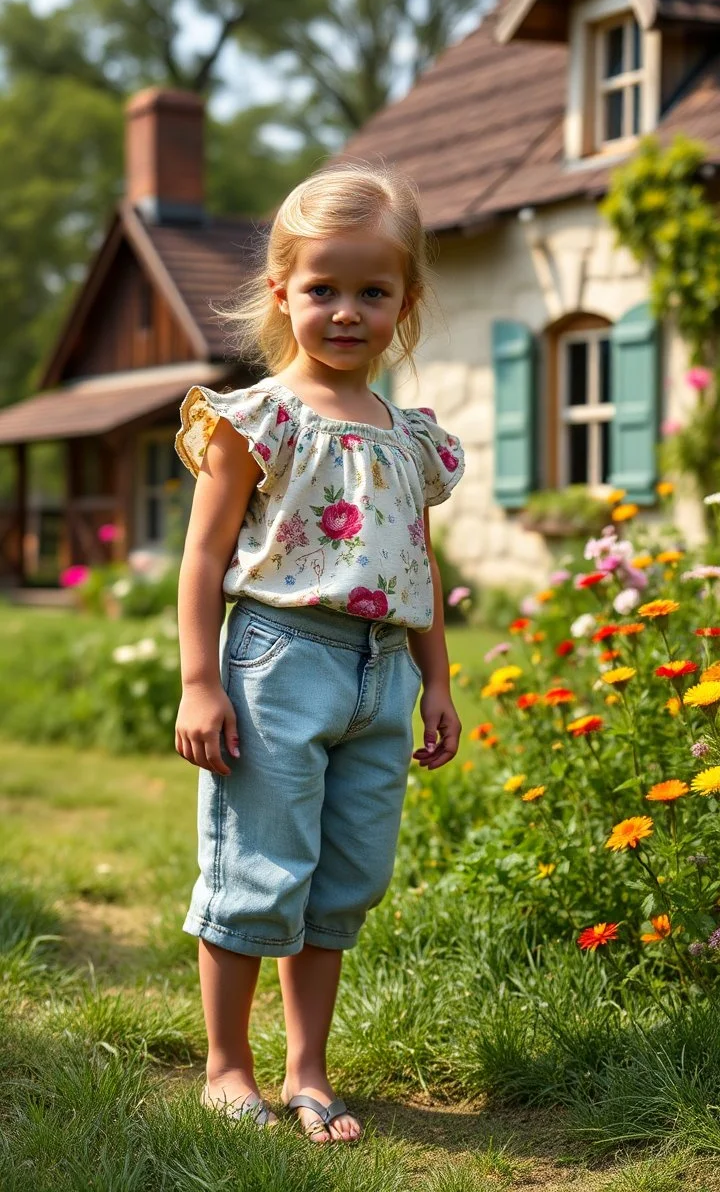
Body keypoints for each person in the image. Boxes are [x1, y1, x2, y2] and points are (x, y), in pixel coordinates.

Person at [174, 162, 465, 1143]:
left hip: (381, 672)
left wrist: (436, 680)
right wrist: (200, 680)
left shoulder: (409, 437)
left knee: (342, 877)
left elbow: (414, 559)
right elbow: (205, 557)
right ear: (282, 292)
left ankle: (307, 1067)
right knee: (259, 868)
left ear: (404, 302)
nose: (347, 309)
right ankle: (226, 1065)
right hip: (277, 661)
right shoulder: (256, 421)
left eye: (371, 290)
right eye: (323, 288)